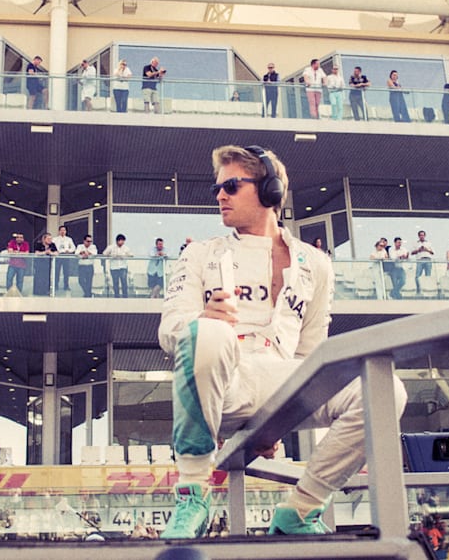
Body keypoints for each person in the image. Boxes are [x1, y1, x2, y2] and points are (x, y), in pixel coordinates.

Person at [159, 144, 405, 538]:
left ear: (270, 190)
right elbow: (170, 329)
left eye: (231, 186)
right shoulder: (199, 254)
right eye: (217, 188)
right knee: (207, 332)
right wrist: (203, 319)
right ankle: (192, 493)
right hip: (224, 379)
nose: (219, 195)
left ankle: (300, 510)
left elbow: (312, 355)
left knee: (384, 389)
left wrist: (277, 423)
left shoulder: (316, 264)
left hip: (283, 383)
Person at [51, 225, 74, 295]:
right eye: (61, 230)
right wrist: (55, 251)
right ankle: (56, 285)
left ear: (66, 231)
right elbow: (52, 247)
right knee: (56, 271)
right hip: (58, 256)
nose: (62, 231)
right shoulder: (55, 239)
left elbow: (73, 247)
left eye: (64, 230)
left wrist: (69, 251)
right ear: (59, 231)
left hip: (66, 256)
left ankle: (66, 285)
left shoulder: (69, 239)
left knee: (66, 272)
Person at [32, 232, 55, 297]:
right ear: (44, 239)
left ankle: (46, 291)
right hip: (39, 264)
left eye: (51, 239)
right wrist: (45, 252)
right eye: (48, 239)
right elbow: (37, 253)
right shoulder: (38, 244)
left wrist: (50, 253)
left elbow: (56, 252)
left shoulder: (52, 245)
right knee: (38, 277)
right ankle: (37, 292)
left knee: (47, 278)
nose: (50, 240)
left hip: (48, 265)